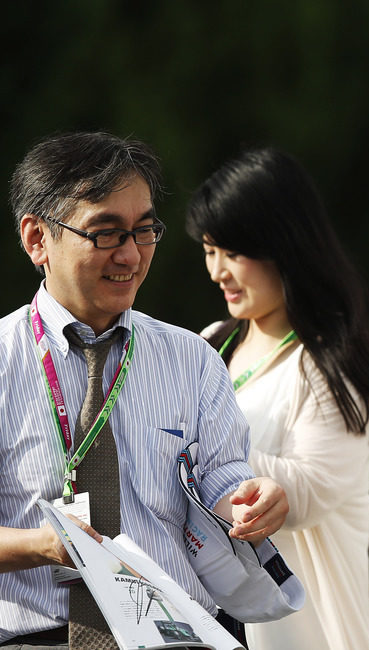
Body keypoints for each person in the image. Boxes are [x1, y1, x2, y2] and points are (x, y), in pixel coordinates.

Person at [0, 132, 289, 648]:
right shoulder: (4, 358)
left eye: (145, 230)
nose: (131, 255)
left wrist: (250, 502)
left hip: (182, 634)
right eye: (106, 233)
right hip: (41, 637)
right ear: (37, 239)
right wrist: (42, 545)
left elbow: (224, 483)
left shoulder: (192, 359)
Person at [186, 147, 369, 650]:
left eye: (233, 252)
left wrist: (184, 449)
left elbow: (311, 489)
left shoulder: (332, 363)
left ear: (284, 244)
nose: (218, 271)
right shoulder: (213, 341)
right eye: (211, 250)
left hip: (303, 634)